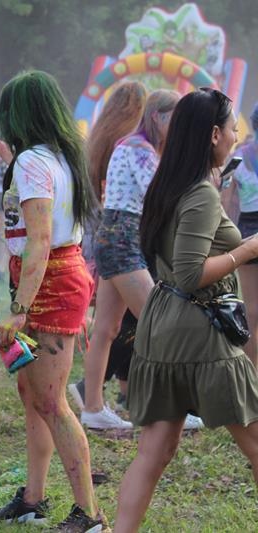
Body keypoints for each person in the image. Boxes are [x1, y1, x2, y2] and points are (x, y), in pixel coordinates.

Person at [115, 88, 258, 532]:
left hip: (162, 326)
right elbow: (191, 273)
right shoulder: (200, 194)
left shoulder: (169, 184)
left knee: (154, 451)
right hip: (201, 329)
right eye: (232, 128)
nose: (236, 136)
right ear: (214, 134)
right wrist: (248, 249)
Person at [0, 71, 107, 531]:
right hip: (51, 274)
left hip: (49, 281)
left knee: (53, 401)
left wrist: (19, 309)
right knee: (33, 395)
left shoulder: (33, 162)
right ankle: (33, 499)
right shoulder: (58, 156)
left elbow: (39, 240)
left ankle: (89, 514)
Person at [73, 90, 184, 431]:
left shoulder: (131, 145)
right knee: (160, 323)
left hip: (114, 237)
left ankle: (93, 407)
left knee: (107, 329)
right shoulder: (140, 149)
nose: (178, 128)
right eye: (175, 120)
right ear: (157, 117)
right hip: (123, 240)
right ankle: (166, 409)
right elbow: (160, 195)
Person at [69, 81, 147, 421]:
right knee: (139, 321)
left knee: (112, 325)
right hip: (121, 238)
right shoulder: (128, 145)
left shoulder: (96, 142)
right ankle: (101, 394)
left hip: (94, 237)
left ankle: (99, 398)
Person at [222, 103, 258, 366]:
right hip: (248, 231)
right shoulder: (236, 158)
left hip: (246, 229)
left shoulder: (238, 156)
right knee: (253, 311)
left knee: (253, 310)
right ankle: (251, 374)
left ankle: (250, 374)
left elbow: (224, 201)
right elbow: (224, 200)